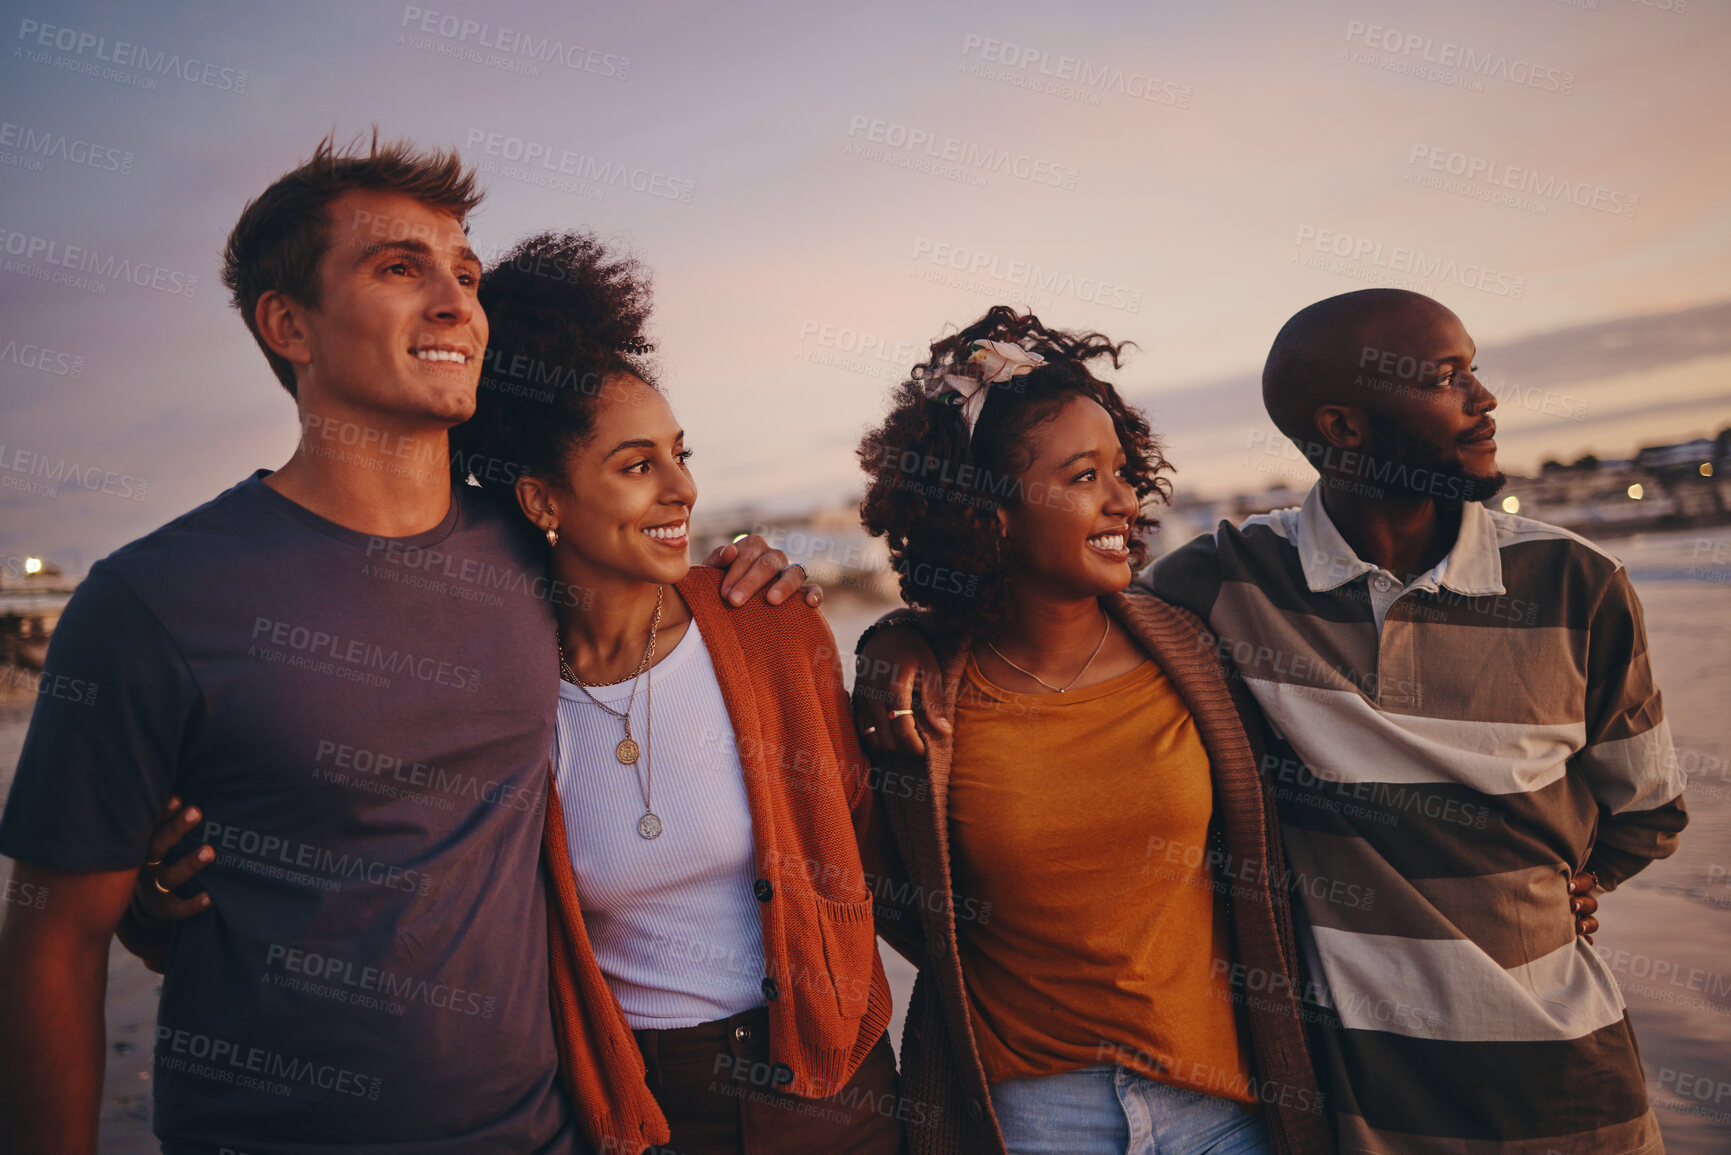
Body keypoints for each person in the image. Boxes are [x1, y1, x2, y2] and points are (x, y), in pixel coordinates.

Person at [0, 135, 810, 1155]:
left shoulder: (534, 550)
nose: (456, 302)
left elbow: (665, 572)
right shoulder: (152, 604)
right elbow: (53, 942)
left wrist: (761, 574)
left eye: (464, 275)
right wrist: (151, 909)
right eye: (400, 268)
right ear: (288, 324)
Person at [122, 229, 904, 1155]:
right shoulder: (494, 678)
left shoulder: (768, 623)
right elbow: (381, 871)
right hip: (629, 1110)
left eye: (678, 453)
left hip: (834, 1095)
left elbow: (871, 846)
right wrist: (160, 901)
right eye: (635, 464)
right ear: (541, 502)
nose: (681, 488)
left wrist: (913, 669)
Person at [857, 289, 1684, 1153]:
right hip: (1348, 1113)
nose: (1484, 399)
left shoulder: (1576, 584)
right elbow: (1037, 620)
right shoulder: (1228, 585)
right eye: (1448, 379)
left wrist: (1559, 881)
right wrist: (901, 638)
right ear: (1343, 425)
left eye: (1119, 471)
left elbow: (1647, 812)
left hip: (1564, 1089)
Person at [853, 307, 1330, 1155]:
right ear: (986, 511)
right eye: (1081, 477)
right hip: (1032, 1119)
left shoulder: (1193, 642)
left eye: (1120, 468)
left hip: (1224, 1109)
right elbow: (894, 896)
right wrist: (888, 640)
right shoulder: (926, 700)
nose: (1123, 498)